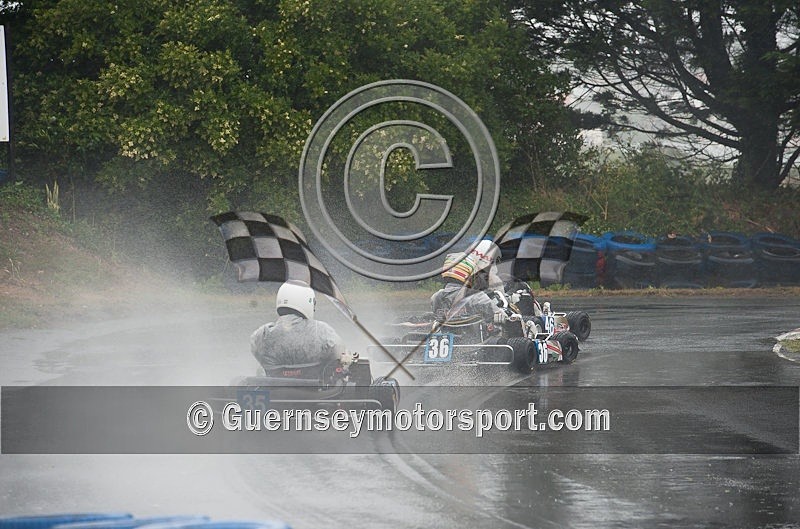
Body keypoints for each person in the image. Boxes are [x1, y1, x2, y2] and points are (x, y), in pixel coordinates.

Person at [250, 279, 345, 371]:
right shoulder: (322, 331)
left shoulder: (261, 336)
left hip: (276, 386)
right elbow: (339, 356)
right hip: (314, 386)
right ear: (306, 302)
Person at [430, 251, 508, 325]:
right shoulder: (476, 296)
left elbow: (436, 316)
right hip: (473, 335)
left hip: (445, 334)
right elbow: (497, 312)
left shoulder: (436, 297)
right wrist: (503, 314)